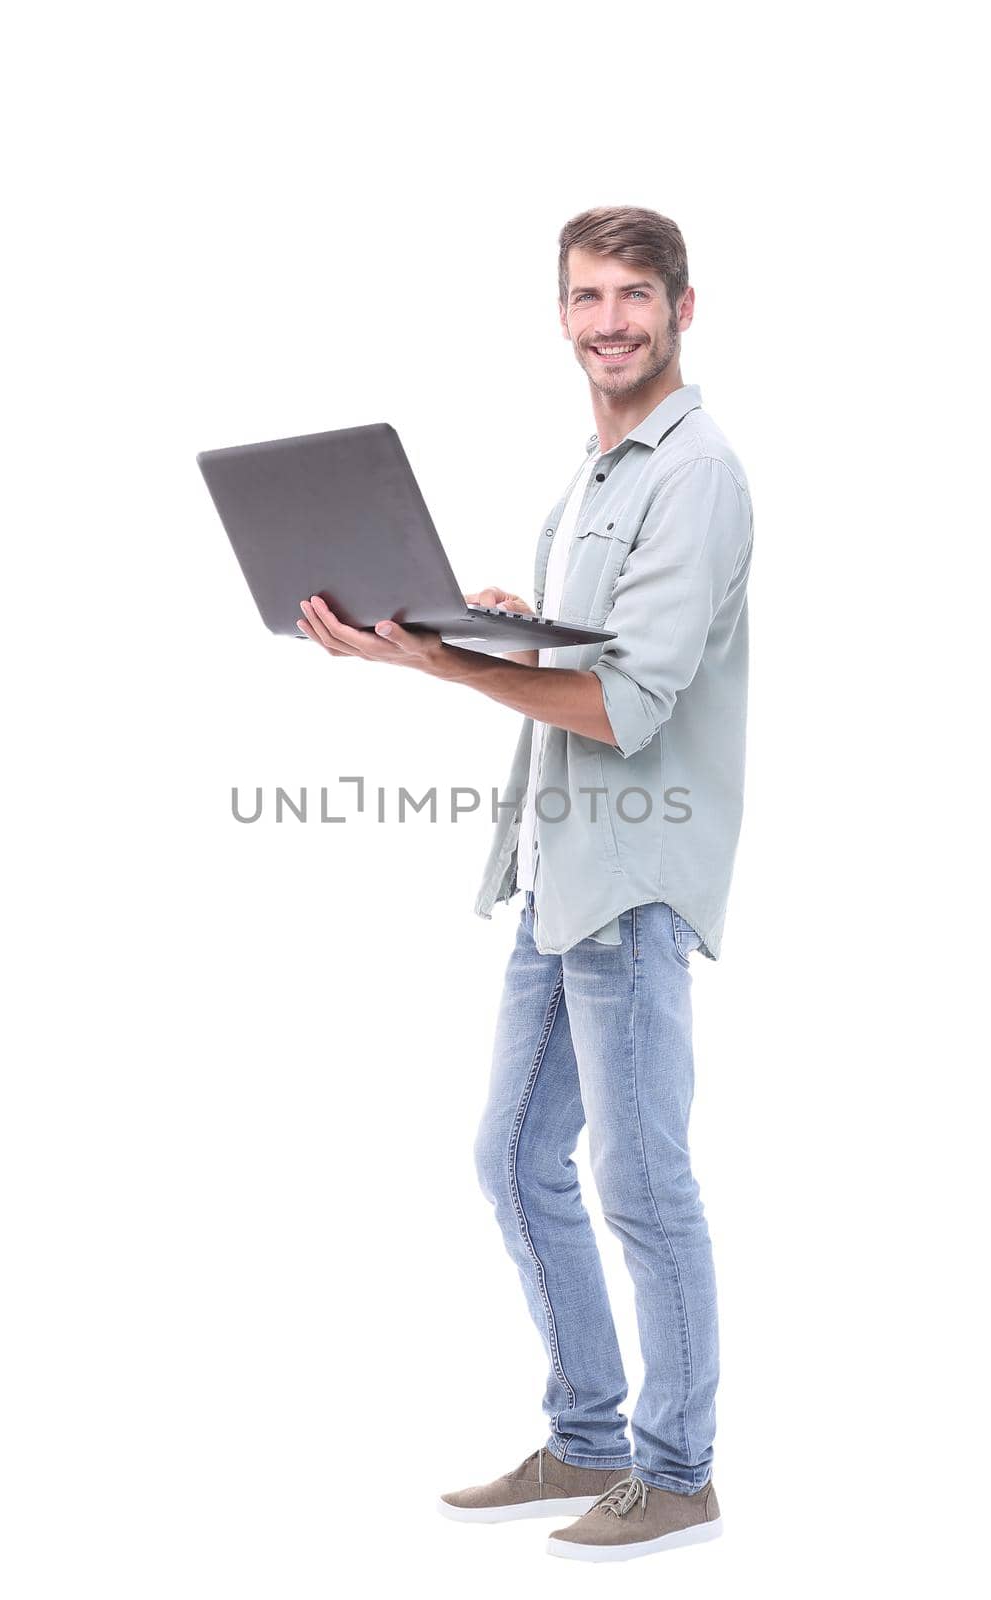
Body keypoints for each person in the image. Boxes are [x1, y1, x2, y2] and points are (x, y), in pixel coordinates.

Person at [294, 204, 753, 1563]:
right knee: (509, 1155)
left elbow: (626, 707)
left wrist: (436, 663)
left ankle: (679, 1472)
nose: (609, 320)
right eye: (586, 296)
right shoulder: (599, 472)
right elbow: (586, 655)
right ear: (562, 315)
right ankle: (590, 1436)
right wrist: (473, 628)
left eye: (634, 296)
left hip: (631, 876)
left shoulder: (695, 471)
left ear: (684, 306)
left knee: (642, 1180)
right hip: (558, 869)